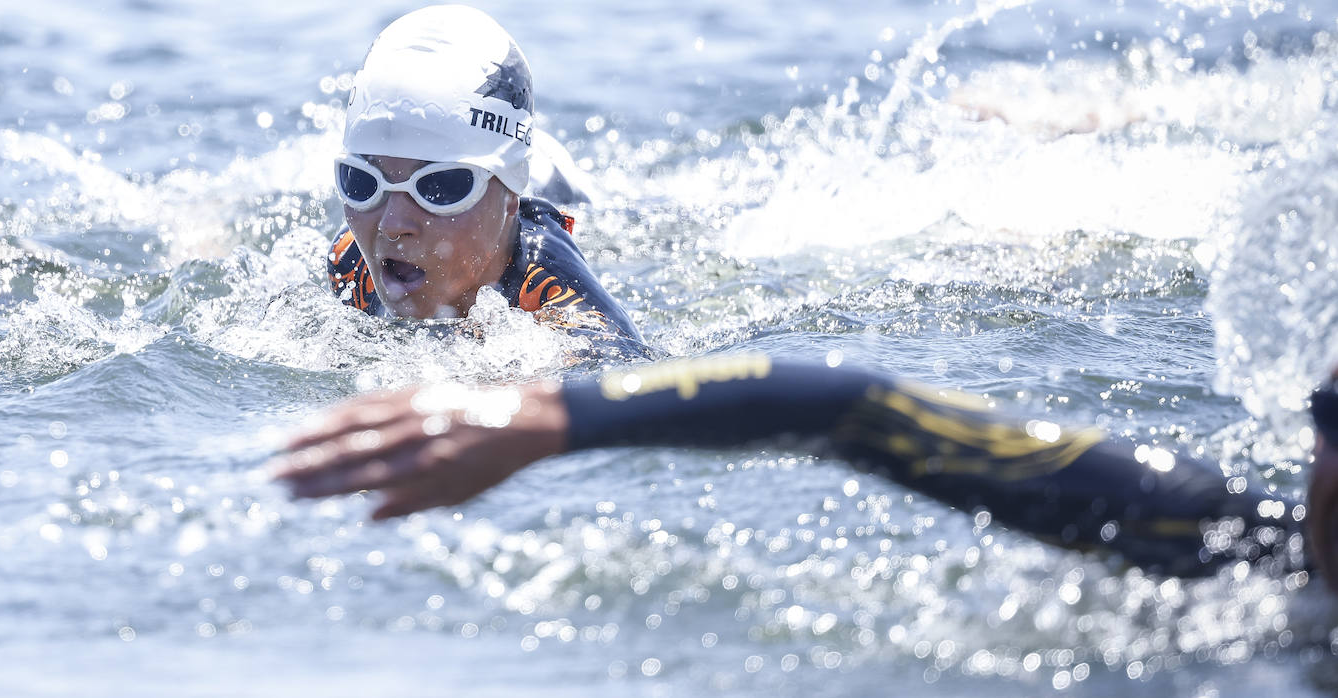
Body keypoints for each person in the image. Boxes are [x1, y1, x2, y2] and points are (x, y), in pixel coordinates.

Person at [273, 353, 1338, 584]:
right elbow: (851, 406)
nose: (1320, 464)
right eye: (1326, 424)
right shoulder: (1244, 545)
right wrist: (551, 413)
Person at [326, 4, 640, 342]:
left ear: (509, 191)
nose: (391, 225)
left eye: (439, 187)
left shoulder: (549, 290)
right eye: (362, 182)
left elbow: (625, 368)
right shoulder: (350, 262)